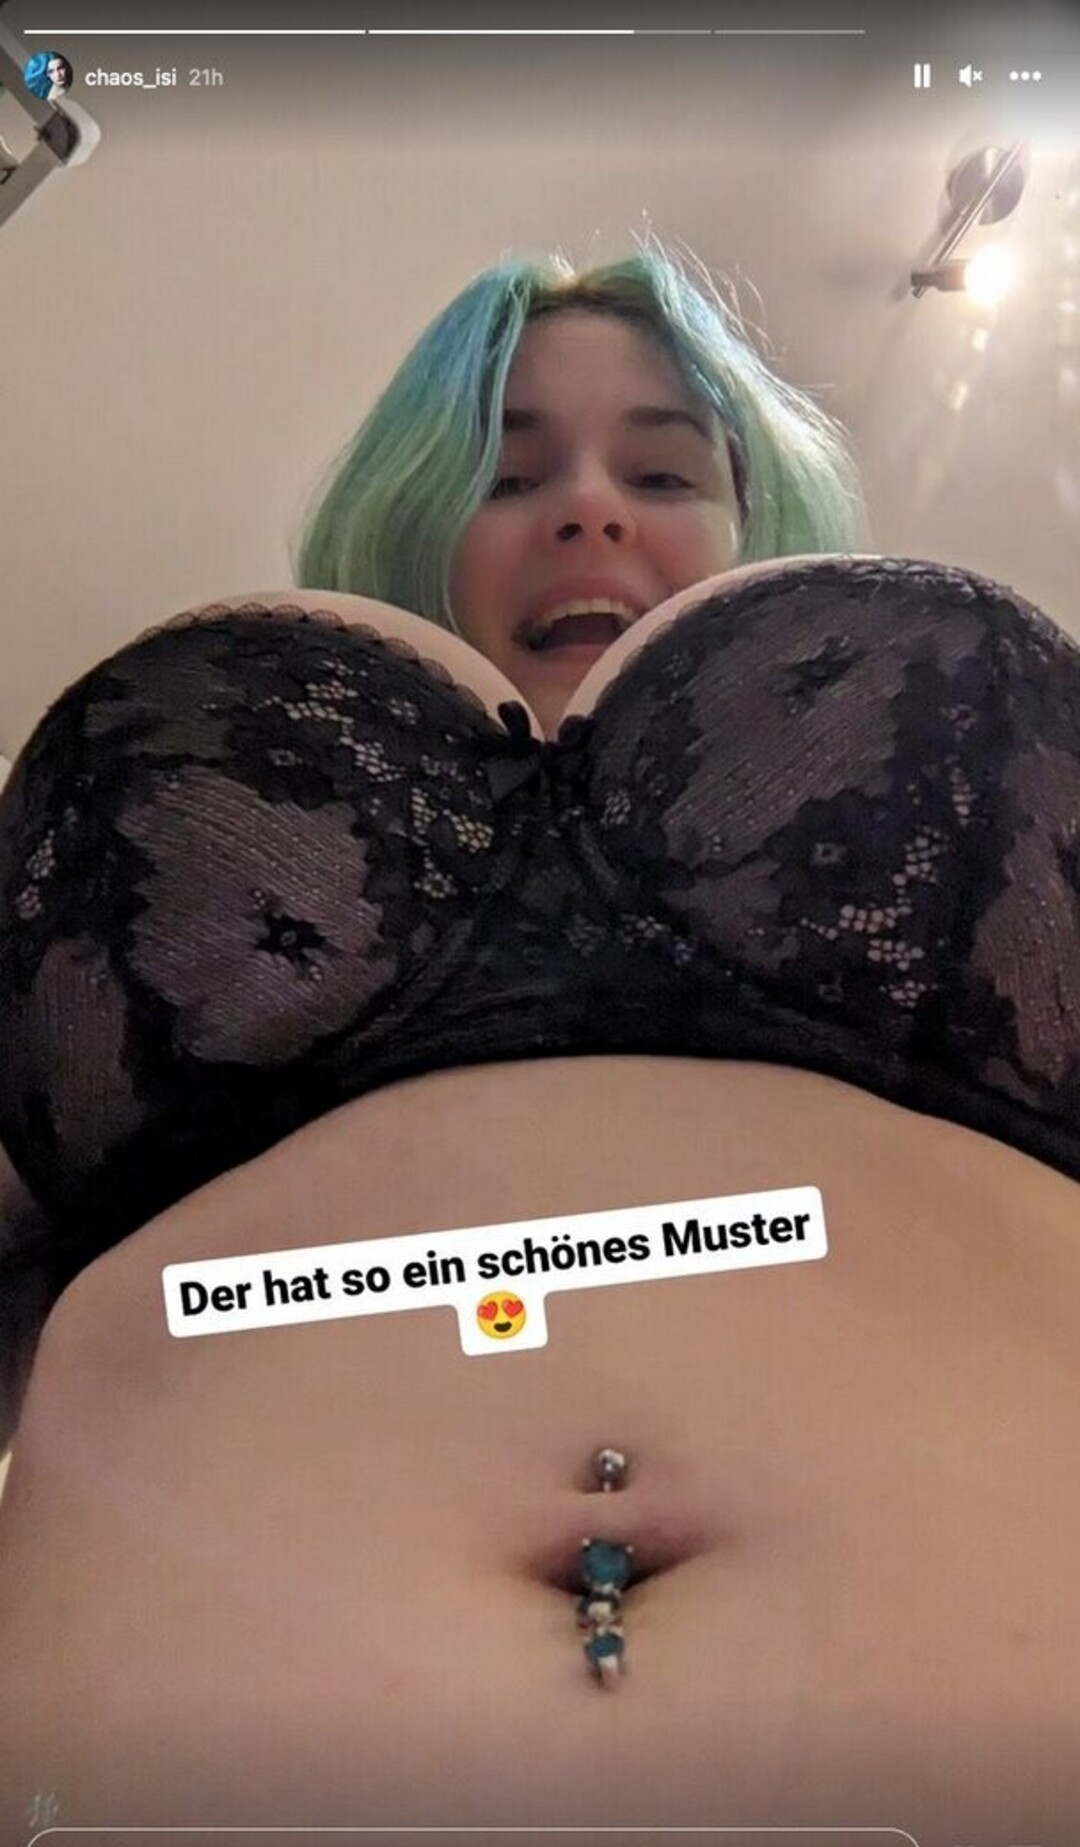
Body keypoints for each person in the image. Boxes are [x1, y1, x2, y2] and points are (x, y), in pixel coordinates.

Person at [1, 238, 1079, 1845]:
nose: (587, 508)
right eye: (507, 475)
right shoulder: (212, 894)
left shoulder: (957, 850)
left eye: (662, 468)